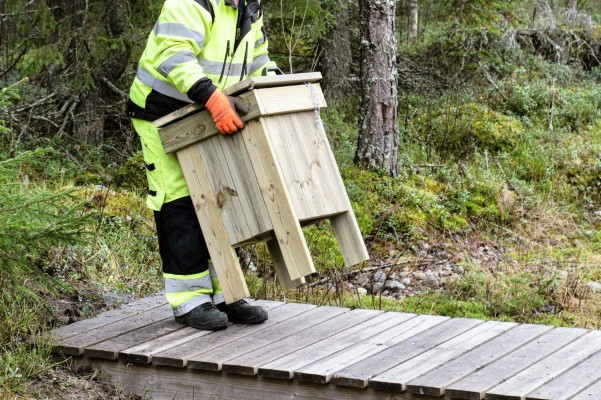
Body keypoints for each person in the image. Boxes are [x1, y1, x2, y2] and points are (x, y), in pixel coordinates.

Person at [126, 0, 278, 331]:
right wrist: (212, 97)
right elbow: (173, 56)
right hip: (162, 113)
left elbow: (258, 56)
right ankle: (190, 300)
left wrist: (271, 81)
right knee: (180, 201)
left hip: (206, 114)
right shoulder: (192, 2)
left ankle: (227, 292)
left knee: (223, 198)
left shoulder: (248, 6)